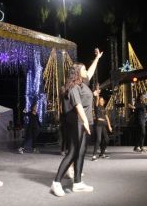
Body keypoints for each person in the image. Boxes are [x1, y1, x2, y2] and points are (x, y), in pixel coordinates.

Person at [51, 48, 102, 197]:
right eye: (84, 69)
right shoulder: (73, 87)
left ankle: (78, 183)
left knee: (81, 152)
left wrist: (97, 59)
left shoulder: (83, 84)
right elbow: (78, 105)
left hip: (84, 122)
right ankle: (56, 182)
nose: (86, 70)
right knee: (73, 152)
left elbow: (91, 72)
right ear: (78, 72)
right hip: (77, 122)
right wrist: (85, 122)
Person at [92, 91, 112, 161]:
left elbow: (107, 118)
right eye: (101, 100)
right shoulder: (97, 106)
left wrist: (109, 126)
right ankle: (94, 156)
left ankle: (102, 153)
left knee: (107, 139)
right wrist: (97, 95)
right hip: (98, 125)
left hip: (104, 125)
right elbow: (97, 99)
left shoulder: (104, 108)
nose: (102, 101)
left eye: (102, 100)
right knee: (99, 139)